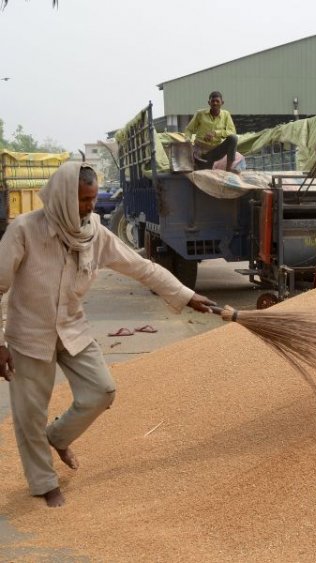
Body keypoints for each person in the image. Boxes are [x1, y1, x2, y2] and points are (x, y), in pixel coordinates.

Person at [0, 162, 215, 508]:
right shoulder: (25, 230)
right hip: (29, 334)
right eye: (82, 200)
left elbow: (140, 267)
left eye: (92, 199)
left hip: (72, 328)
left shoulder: (95, 234)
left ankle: (58, 436)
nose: (88, 207)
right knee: (29, 413)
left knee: (102, 390)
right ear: (61, 197)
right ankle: (44, 484)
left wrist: (185, 295)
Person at [184, 91, 239, 172]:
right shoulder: (200, 114)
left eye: (217, 101)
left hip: (215, 151)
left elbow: (232, 131)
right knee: (203, 173)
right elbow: (189, 129)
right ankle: (198, 164)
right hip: (200, 151)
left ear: (222, 103)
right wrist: (187, 141)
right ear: (209, 102)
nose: (215, 103)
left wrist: (216, 133)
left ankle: (229, 169)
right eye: (213, 101)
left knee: (233, 138)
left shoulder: (226, 114)